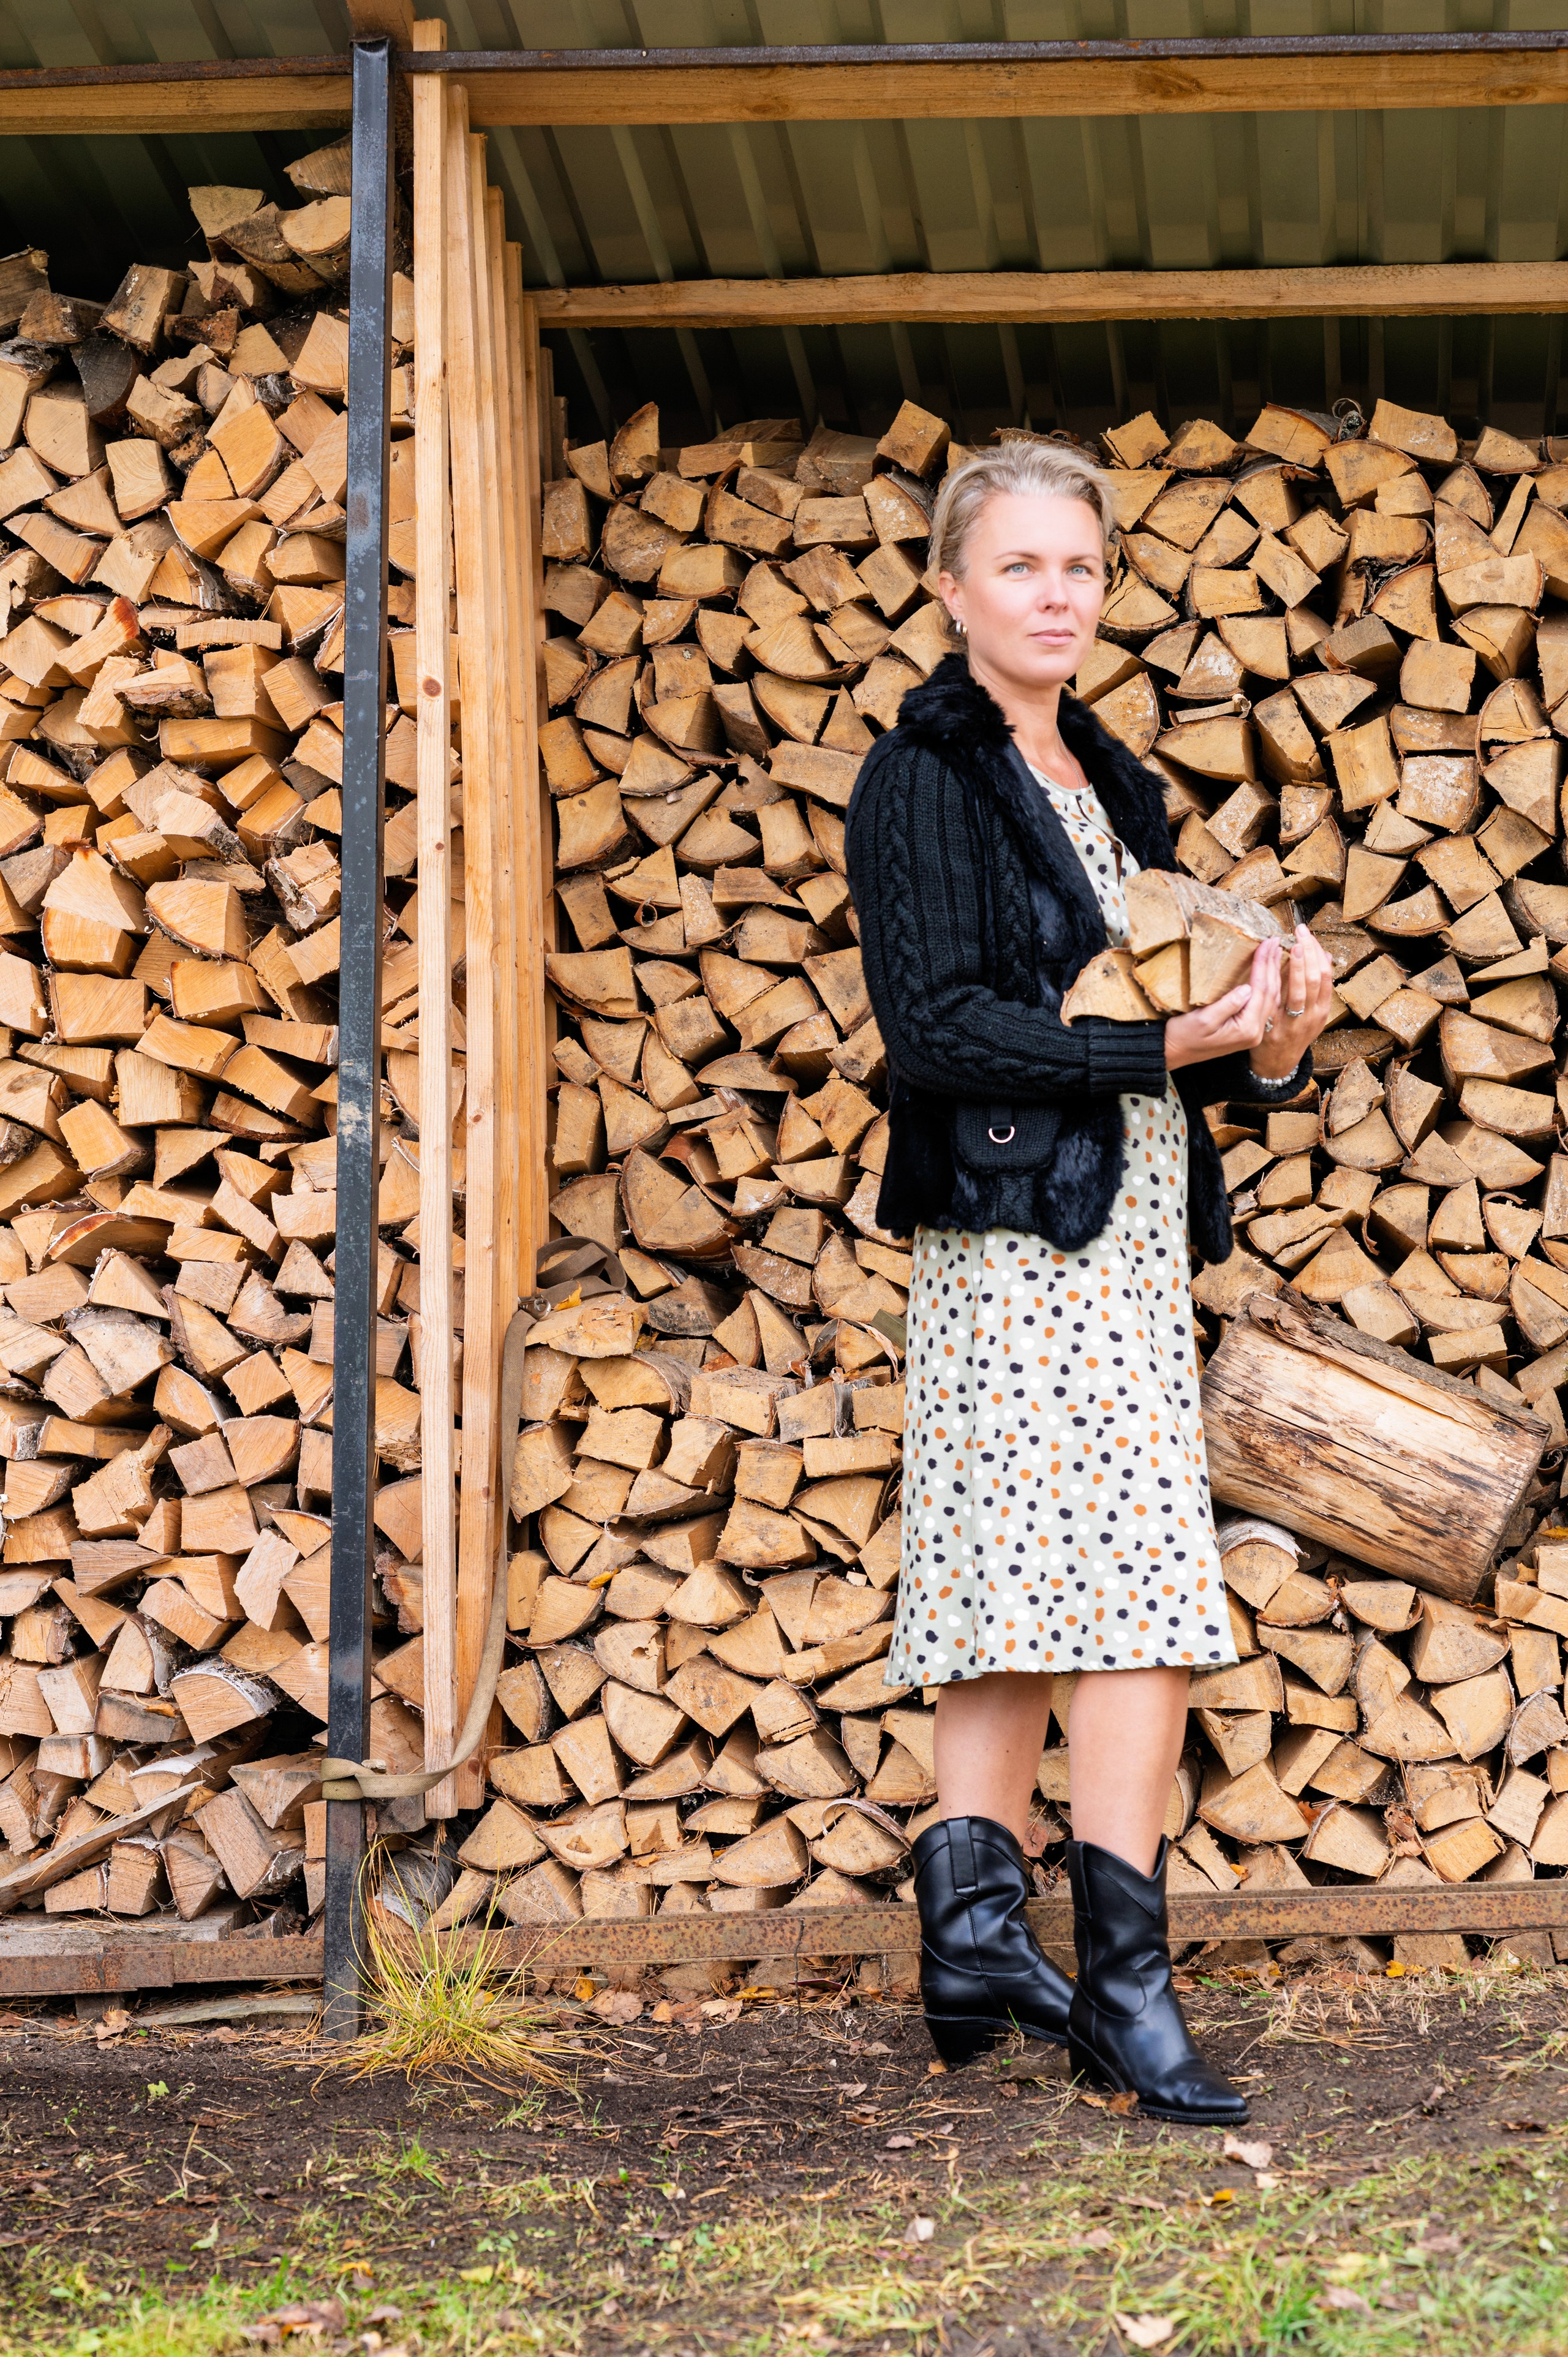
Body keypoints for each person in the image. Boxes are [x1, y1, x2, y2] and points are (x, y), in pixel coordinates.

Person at [843, 438, 1335, 2125]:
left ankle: (976, 1943)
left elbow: (1151, 1036)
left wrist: (1257, 1049)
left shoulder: (1111, 784)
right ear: (953, 589)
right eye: (1024, 568)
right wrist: (1148, 1037)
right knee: (1136, 1594)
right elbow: (937, 1030)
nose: (1058, 597)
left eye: (1082, 570)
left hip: (1119, 1226)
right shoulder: (927, 775)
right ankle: (1128, 1995)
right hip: (1010, 1239)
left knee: (1007, 1590)